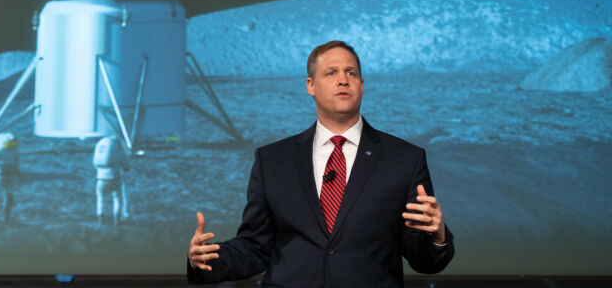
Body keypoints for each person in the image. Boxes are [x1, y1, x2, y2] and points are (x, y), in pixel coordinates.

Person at [187, 40, 454, 287]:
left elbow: (423, 259)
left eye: (351, 73)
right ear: (310, 86)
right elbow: (256, 248)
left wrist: (437, 236)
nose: (343, 80)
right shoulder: (272, 161)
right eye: (331, 73)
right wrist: (207, 258)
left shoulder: (404, 159)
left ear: (362, 84)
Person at [93, 135, 131, 225]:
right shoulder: (117, 151)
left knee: (100, 199)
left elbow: (95, 162)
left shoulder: (100, 146)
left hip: (100, 179)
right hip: (114, 178)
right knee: (117, 198)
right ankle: (116, 220)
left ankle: (100, 220)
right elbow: (126, 167)